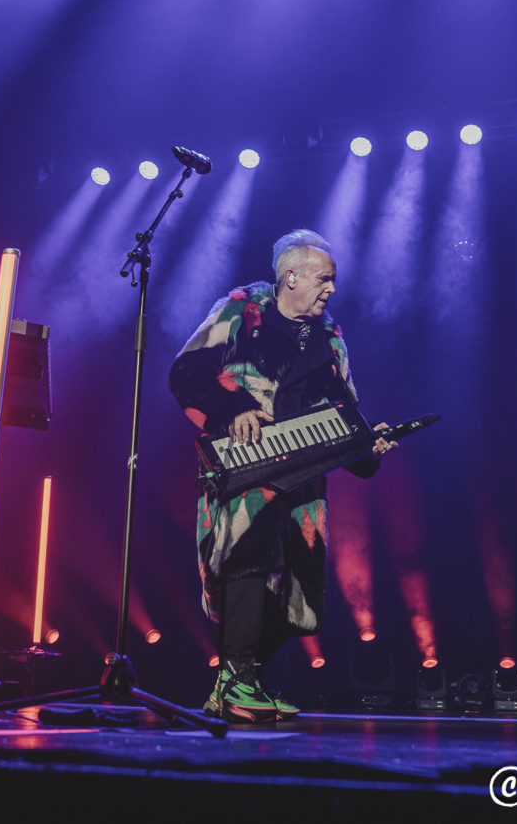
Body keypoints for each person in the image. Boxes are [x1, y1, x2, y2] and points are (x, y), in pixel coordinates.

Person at [169, 230, 395, 722]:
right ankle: (237, 677)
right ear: (291, 276)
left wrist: (367, 446)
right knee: (246, 558)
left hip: (304, 475)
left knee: (295, 584)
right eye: (324, 279)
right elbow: (185, 374)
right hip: (243, 463)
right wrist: (231, 411)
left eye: (333, 281)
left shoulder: (330, 338)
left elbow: (345, 414)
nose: (331, 289)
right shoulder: (241, 311)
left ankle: (242, 679)